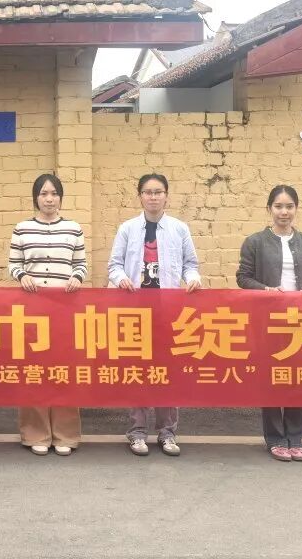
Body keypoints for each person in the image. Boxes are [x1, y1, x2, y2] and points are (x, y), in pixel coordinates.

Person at [108, 172, 200, 458]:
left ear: (166, 196)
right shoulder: (127, 229)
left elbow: (190, 264)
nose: (153, 197)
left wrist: (193, 279)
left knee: (167, 372)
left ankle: (167, 432)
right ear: (140, 196)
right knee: (138, 371)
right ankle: (137, 432)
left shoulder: (179, 229)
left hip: (168, 312)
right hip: (136, 312)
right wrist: (121, 278)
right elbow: (114, 265)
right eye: (148, 192)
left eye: (158, 192)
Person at [236, 185, 302, 462]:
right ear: (269, 209)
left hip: (299, 320)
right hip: (267, 320)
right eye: (279, 206)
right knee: (272, 378)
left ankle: (295, 438)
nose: (284, 212)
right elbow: (243, 278)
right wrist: (265, 290)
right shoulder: (255, 242)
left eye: (289, 207)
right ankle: (274, 439)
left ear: (296, 209)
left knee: (296, 378)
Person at [8, 173, 86, 456]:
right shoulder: (22, 228)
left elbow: (81, 264)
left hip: (64, 309)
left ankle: (66, 435)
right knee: (34, 370)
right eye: (44, 194)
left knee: (64, 370)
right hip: (33, 309)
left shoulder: (74, 229)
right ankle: (35, 433)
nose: (49, 199)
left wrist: (77, 277)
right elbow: (13, 264)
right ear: (36, 198)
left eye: (54, 193)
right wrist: (22, 276)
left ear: (61, 197)